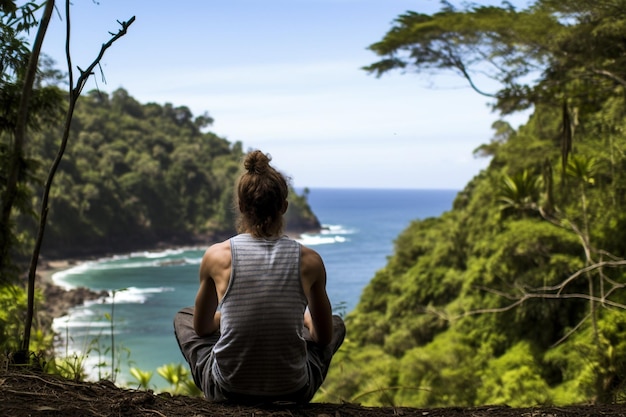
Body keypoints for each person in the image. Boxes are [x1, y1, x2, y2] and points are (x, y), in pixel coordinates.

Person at [173, 149, 346, 404]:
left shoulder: (217, 256)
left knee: (184, 318)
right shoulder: (310, 261)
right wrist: (304, 321)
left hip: (227, 391)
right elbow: (322, 338)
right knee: (334, 323)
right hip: (294, 391)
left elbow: (201, 327)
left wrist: (228, 319)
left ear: (241, 207)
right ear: (284, 207)